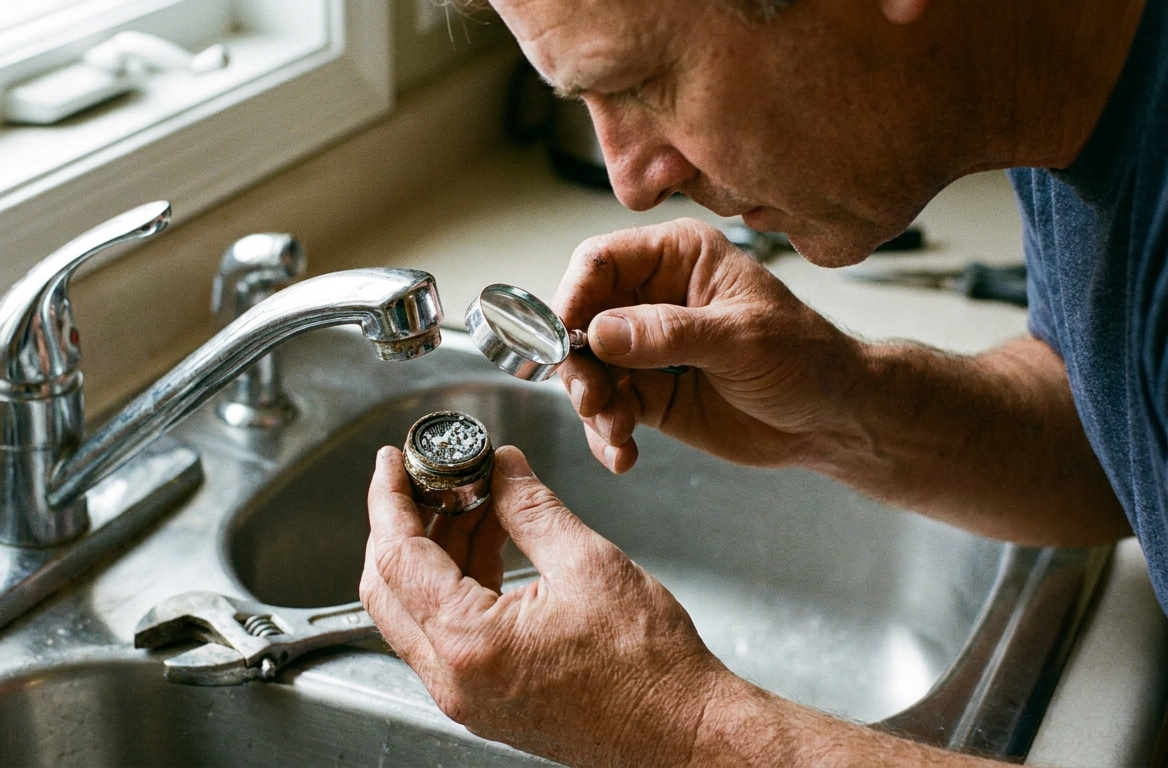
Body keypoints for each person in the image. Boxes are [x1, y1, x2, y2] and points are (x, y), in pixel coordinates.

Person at [358, 0, 1163, 763]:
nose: (631, 179)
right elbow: (1119, 445)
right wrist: (840, 408)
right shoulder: (1073, 98)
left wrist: (680, 727)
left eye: (639, 82)